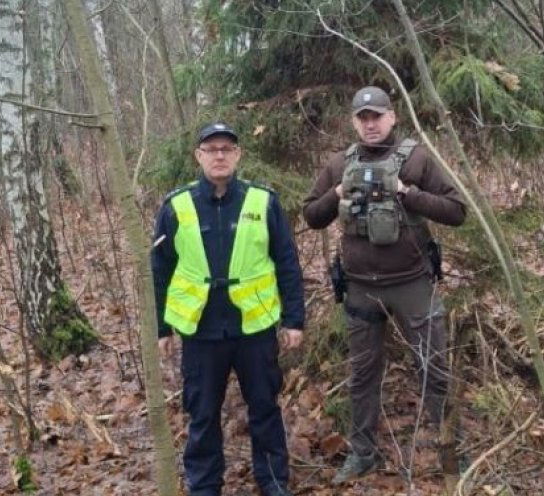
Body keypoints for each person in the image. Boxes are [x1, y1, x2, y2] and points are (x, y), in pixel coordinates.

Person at [302, 86, 466, 483]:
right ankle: (363, 454)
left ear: (392, 117)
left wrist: (408, 193)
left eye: (377, 115)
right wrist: (338, 192)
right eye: (363, 117)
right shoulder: (340, 163)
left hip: (412, 284)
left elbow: (457, 210)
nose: (370, 123)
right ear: (354, 122)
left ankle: (449, 449)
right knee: (362, 375)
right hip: (360, 289)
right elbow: (311, 215)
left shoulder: (418, 158)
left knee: (434, 368)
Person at [153, 122, 304, 496]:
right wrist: (162, 328)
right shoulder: (176, 206)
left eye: (226, 149)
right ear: (199, 156)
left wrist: (294, 320)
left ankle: (272, 481)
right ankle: (204, 486)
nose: (219, 155)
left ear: (237, 155)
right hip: (202, 332)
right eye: (211, 149)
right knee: (203, 415)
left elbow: (286, 261)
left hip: (255, 329)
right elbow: (160, 270)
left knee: (265, 410)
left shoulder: (262, 201)